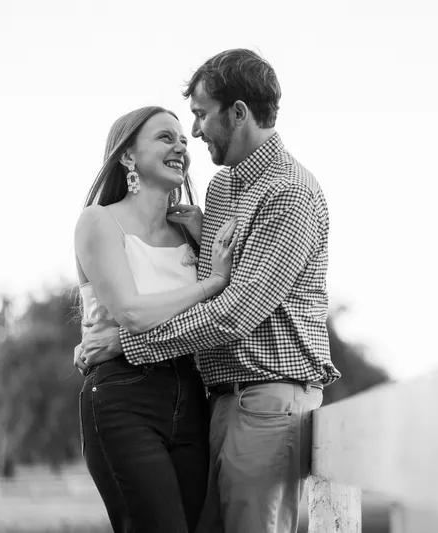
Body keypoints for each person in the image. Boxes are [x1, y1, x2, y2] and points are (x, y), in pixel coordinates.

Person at [77, 49, 341, 533]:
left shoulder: (289, 192)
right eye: (175, 132)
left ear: (237, 113)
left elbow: (233, 313)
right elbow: (173, 290)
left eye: (199, 116)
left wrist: (126, 343)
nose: (193, 135)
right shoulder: (219, 192)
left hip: (265, 399)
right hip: (214, 402)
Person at [74, 106, 238, 533]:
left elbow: (225, 317)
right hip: (124, 396)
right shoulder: (99, 220)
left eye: (184, 141)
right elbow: (130, 313)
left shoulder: (190, 233)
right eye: (166, 138)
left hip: (190, 393)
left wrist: (206, 246)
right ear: (128, 156)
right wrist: (211, 282)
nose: (181, 148)